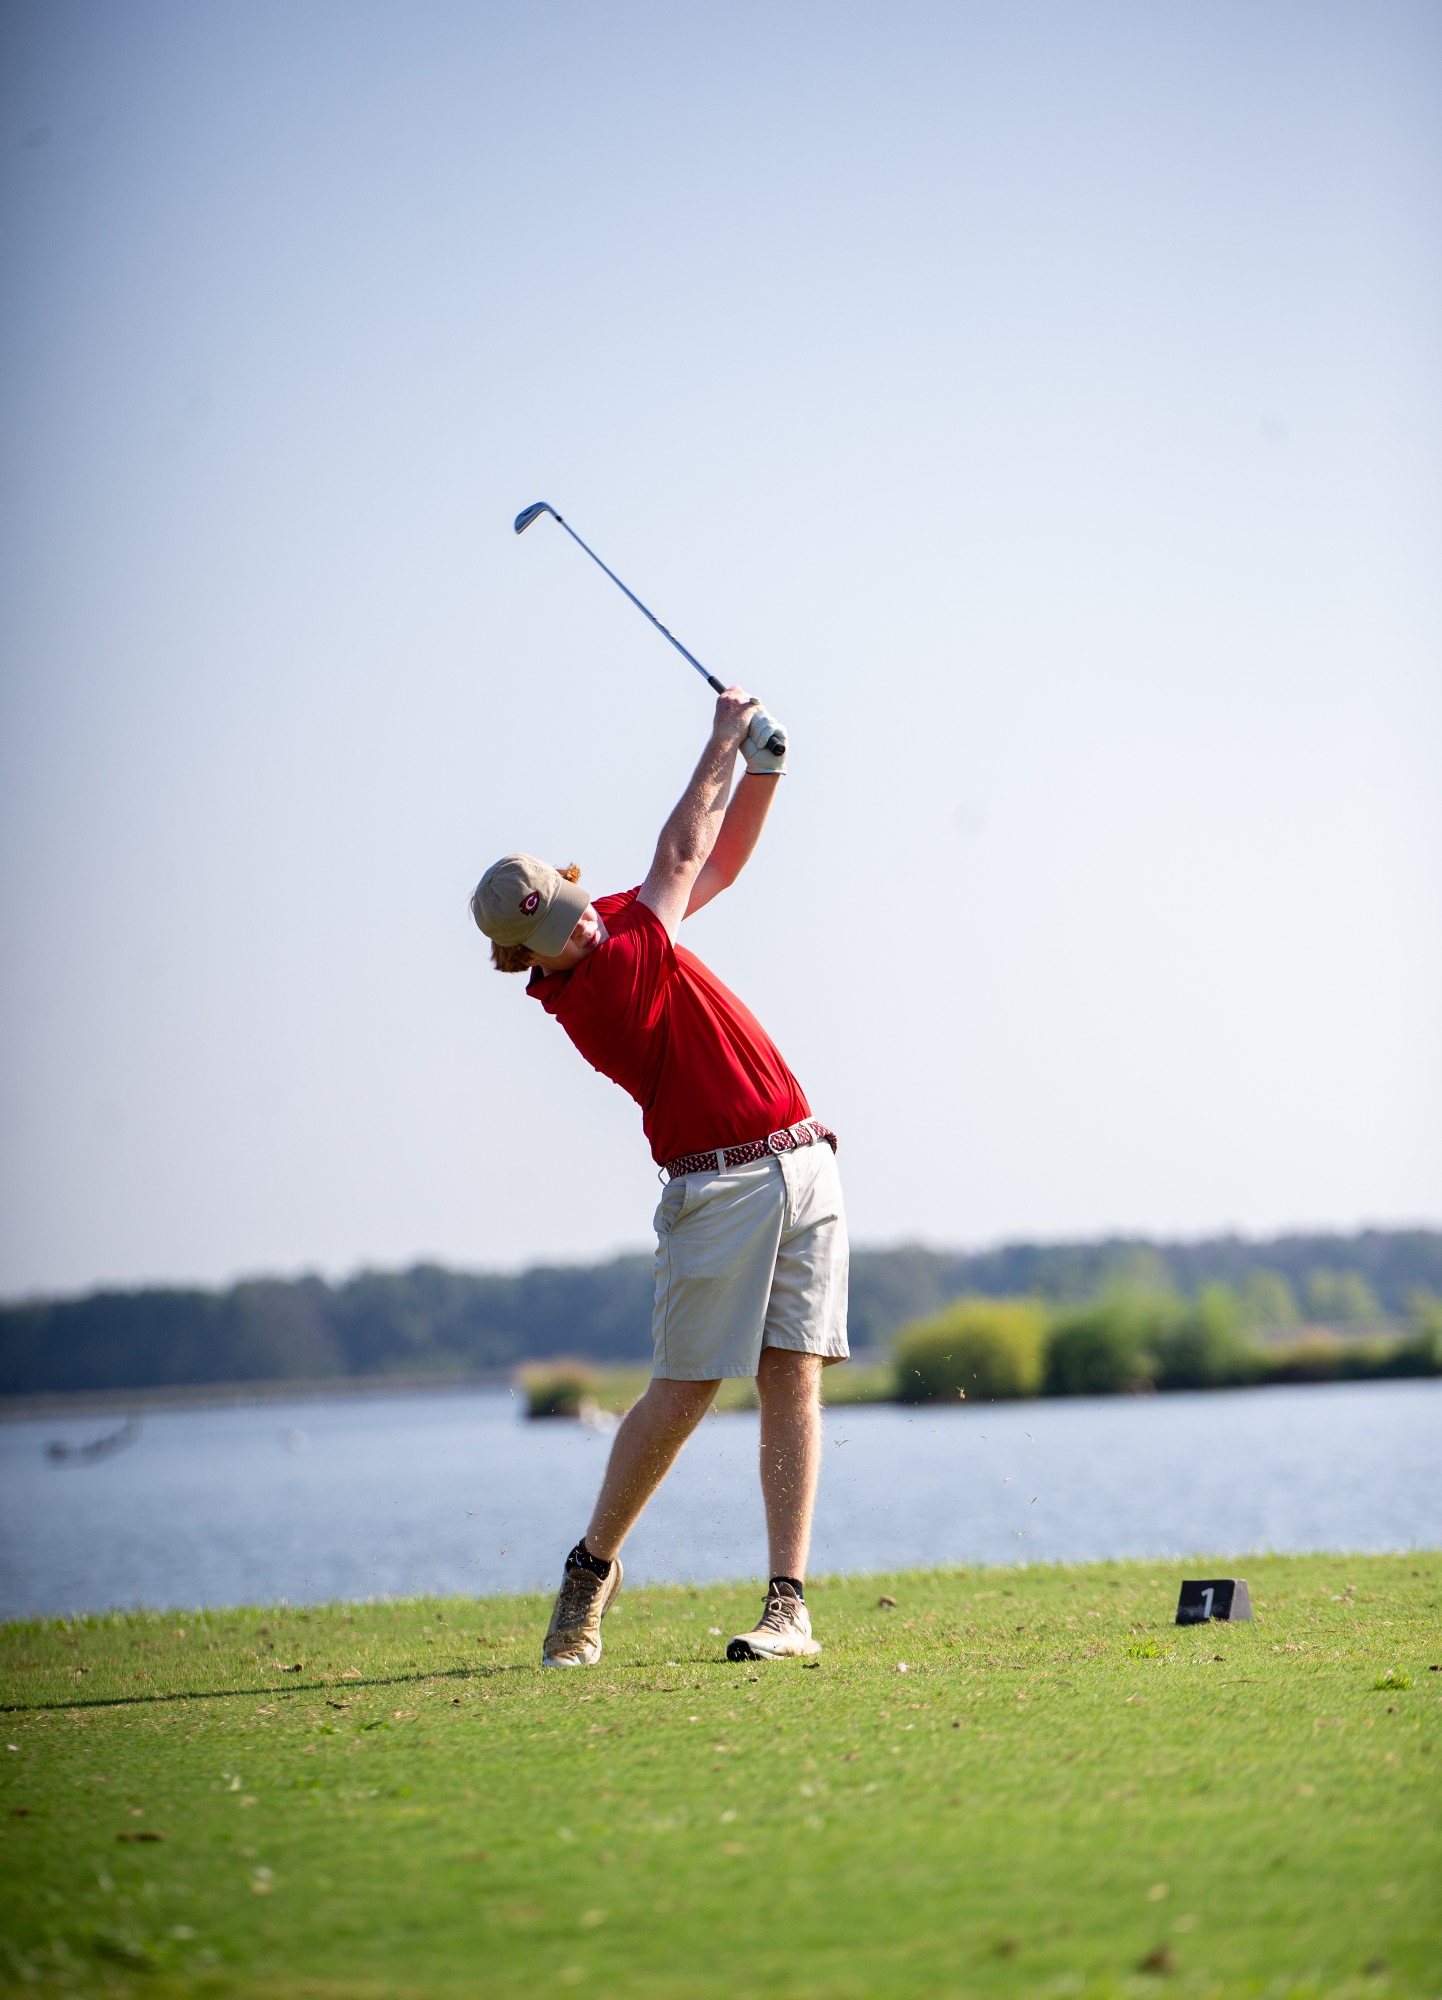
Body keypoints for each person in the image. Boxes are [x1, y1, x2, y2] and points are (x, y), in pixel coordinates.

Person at [469, 689, 848, 1667]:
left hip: (802, 1162)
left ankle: (786, 1604)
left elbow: (715, 861)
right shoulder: (600, 986)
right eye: (556, 933)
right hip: (715, 1192)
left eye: (570, 907)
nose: (579, 930)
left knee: (789, 1378)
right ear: (528, 960)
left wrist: (759, 771)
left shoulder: (615, 920)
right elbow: (681, 855)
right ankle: (591, 1569)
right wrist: (719, 739)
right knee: (680, 1394)